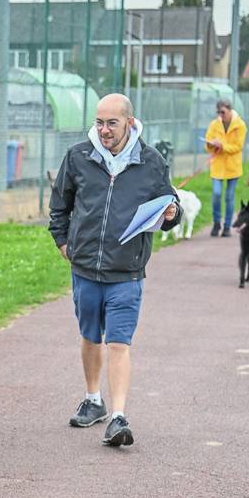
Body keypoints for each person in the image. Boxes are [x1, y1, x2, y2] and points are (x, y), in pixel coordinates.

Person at [49, 93, 181, 449]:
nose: (104, 130)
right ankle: (94, 400)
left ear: (130, 123)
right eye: (99, 122)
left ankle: (119, 417)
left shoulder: (152, 161)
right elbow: (60, 205)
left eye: (112, 123)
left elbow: (169, 203)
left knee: (119, 343)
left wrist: (173, 214)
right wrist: (64, 243)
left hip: (127, 271)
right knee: (91, 336)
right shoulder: (78, 156)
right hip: (86, 267)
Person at [205, 98, 246, 237]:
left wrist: (223, 146)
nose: (221, 115)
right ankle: (217, 223)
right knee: (216, 194)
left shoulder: (240, 125)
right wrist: (212, 144)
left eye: (223, 112)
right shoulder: (214, 124)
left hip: (233, 166)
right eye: (218, 112)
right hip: (217, 165)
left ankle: (227, 226)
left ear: (230, 110)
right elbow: (208, 142)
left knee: (229, 196)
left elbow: (238, 146)